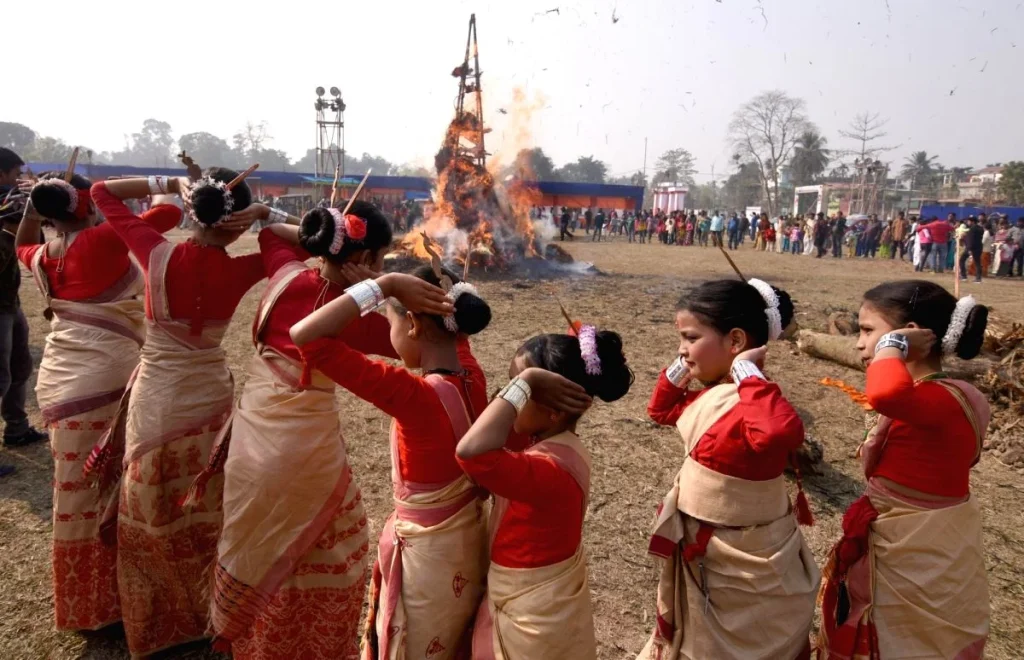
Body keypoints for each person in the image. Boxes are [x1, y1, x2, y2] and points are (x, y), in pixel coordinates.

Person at [191, 202, 394, 658]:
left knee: (256, 537)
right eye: (381, 259)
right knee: (333, 550)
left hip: (252, 434)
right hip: (303, 454)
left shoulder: (285, 273)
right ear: (367, 260)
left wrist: (322, 235)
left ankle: (248, 640)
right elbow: (414, 347)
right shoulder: (345, 315)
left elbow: (272, 235)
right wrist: (382, 290)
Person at [85, 171, 266, 656]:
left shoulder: (156, 252)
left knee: (148, 503)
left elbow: (100, 192)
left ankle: (151, 621)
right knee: (209, 505)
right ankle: (208, 614)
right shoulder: (250, 265)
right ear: (237, 225)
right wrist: (265, 218)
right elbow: (298, 247)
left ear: (191, 210)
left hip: (157, 400)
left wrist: (166, 179)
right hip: (210, 399)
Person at [290, 264, 492, 660]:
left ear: (414, 324)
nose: (389, 333)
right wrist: (395, 293)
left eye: (390, 322)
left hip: (426, 565)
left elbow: (306, 336)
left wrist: (382, 286)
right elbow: (451, 336)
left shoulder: (411, 395)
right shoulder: (471, 373)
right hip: (467, 547)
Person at [14, 172, 178, 631]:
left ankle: (87, 602)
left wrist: (34, 210)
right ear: (85, 206)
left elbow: (19, 244)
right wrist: (159, 181)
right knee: (110, 488)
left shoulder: (43, 255)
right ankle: (115, 598)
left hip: (60, 381)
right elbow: (168, 212)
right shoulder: (103, 241)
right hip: (106, 376)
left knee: (75, 493)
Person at [639, 279, 818, 659]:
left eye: (690, 337)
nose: (681, 348)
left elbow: (777, 433)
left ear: (735, 342)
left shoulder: (755, 401)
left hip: (745, 562)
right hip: (706, 557)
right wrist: (685, 363)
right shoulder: (717, 396)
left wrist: (748, 373)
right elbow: (661, 411)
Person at [817, 280, 991, 658]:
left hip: (912, 551)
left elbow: (884, 393)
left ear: (908, 335)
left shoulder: (937, 399)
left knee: (897, 634)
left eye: (868, 331)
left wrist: (891, 348)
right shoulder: (959, 395)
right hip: (930, 542)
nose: (860, 343)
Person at [457, 325, 633, 659]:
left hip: (527, 610)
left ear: (553, 412)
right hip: (541, 598)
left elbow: (471, 452)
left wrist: (530, 381)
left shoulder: (548, 470)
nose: (505, 397)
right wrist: (528, 383)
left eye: (517, 391)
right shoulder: (559, 445)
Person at [0, 149, 48, 452]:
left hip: (9, 301)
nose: (18, 181)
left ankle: (17, 429)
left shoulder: (9, 206)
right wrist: (8, 233)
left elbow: (34, 245)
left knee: (19, 367)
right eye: (15, 175)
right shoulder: (6, 212)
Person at [959, 215, 984, 284]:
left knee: (961, 260)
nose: (967, 222)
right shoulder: (980, 228)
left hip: (971, 248)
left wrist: (969, 249)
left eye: (969, 221)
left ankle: (963, 276)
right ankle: (978, 278)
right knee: (977, 263)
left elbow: (971, 239)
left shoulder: (972, 229)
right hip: (979, 247)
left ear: (972, 222)